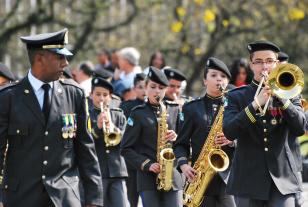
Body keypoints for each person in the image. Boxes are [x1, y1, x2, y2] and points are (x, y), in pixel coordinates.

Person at [0, 28, 103, 207]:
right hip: (21, 197)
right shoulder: (8, 97)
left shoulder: (74, 93)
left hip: (65, 197)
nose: (65, 63)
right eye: (59, 57)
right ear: (39, 59)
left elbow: (86, 149)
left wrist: (94, 199)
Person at [223, 40, 306, 207]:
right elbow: (229, 131)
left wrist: (282, 98)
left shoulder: (291, 92)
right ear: (251, 65)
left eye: (269, 61)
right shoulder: (236, 96)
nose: (264, 66)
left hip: (282, 180)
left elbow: (299, 128)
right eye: (259, 62)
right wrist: (255, 104)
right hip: (248, 179)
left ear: (277, 64)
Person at [173, 57, 236, 207]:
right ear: (205, 81)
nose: (218, 80)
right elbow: (180, 144)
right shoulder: (191, 108)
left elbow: (247, 137)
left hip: (228, 178)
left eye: (223, 77)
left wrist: (232, 141)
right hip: (198, 179)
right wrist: (183, 165)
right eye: (213, 75)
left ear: (227, 82)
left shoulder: (234, 107)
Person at [121, 67, 183, 207]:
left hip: (172, 176)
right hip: (147, 179)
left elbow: (184, 143)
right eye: (153, 87)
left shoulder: (173, 109)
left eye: (161, 88)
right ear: (146, 88)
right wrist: (147, 164)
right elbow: (125, 149)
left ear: (165, 89)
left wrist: (176, 137)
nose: (157, 91)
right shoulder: (137, 113)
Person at [89, 77, 129, 207]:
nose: (101, 98)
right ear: (91, 95)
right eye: (98, 94)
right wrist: (98, 127)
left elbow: (127, 139)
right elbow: (86, 142)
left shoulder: (118, 115)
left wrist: (113, 127)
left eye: (105, 95)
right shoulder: (86, 116)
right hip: (97, 171)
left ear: (110, 97)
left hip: (117, 170)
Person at [119, 73, 146, 207]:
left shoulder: (158, 107)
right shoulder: (126, 106)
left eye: (146, 86)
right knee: (132, 199)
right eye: (140, 87)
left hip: (150, 159)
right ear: (134, 88)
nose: (144, 90)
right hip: (132, 160)